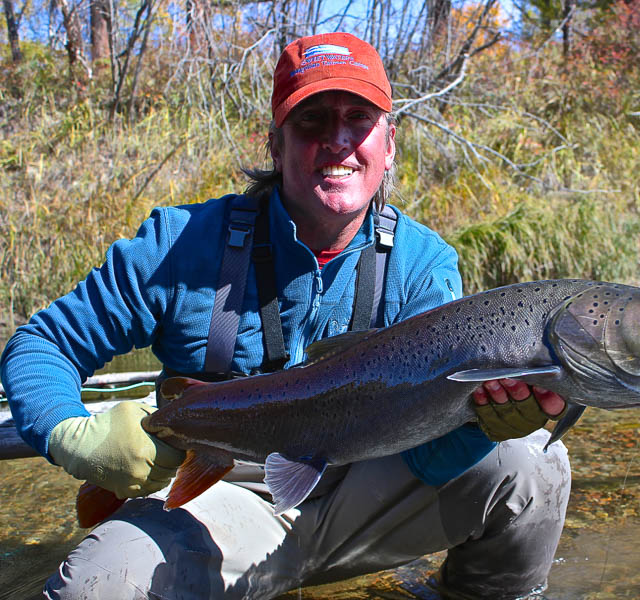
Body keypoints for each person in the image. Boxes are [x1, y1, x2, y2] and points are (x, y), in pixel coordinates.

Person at [0, 32, 571, 599]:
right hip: (228, 498)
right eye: (312, 120)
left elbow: (428, 458)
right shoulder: (179, 244)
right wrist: (70, 433)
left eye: (358, 119)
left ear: (389, 143)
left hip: (365, 493)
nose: (338, 140)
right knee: (95, 586)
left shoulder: (423, 265)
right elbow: (43, 344)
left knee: (532, 461)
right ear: (275, 145)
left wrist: (481, 424)